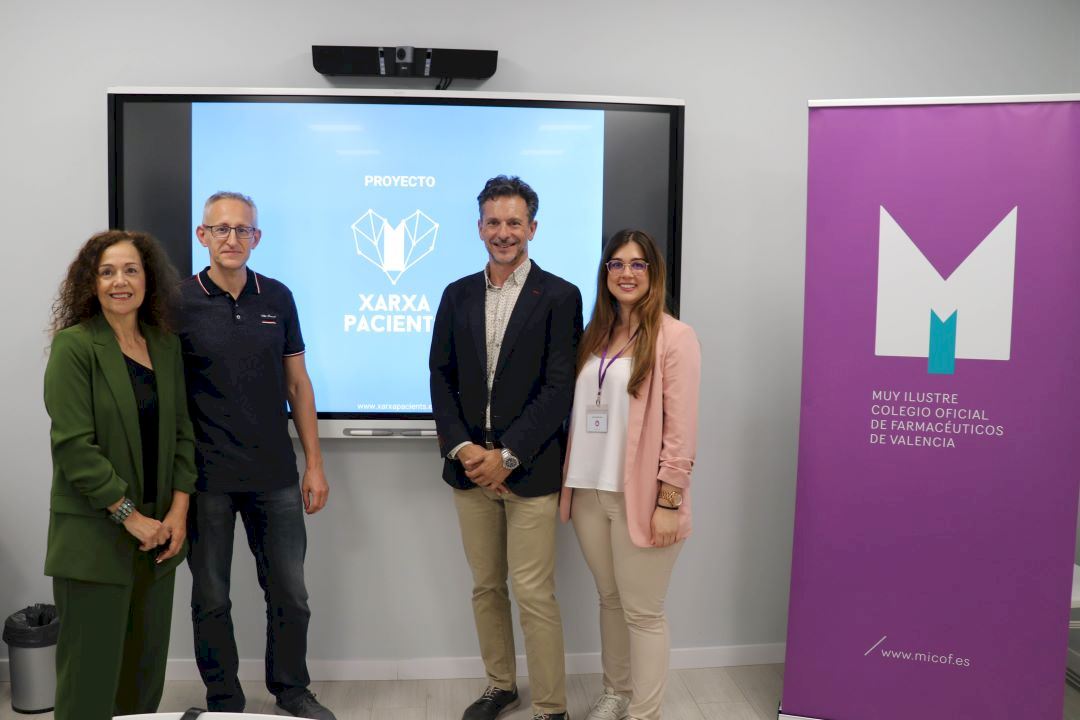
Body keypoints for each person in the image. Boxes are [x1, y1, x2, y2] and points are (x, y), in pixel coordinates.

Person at [176, 191, 335, 720]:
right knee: (211, 599)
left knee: (291, 595)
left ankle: (292, 690)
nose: (232, 238)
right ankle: (224, 701)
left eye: (242, 229)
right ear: (203, 236)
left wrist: (314, 465)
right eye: (221, 229)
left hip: (275, 474)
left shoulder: (278, 298)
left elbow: (298, 384)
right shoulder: (177, 302)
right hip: (207, 478)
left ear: (256, 238)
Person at [430, 175, 582, 720]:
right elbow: (440, 376)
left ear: (532, 228)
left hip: (531, 470)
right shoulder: (457, 294)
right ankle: (500, 686)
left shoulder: (560, 296)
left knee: (534, 593)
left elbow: (559, 388)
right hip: (470, 470)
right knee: (487, 587)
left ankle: (551, 707)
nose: (503, 232)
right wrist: (465, 449)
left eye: (514, 222)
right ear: (479, 228)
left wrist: (508, 455)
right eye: (493, 222)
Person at [43, 230, 196, 720]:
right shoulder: (74, 347)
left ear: (148, 280)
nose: (119, 281)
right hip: (96, 540)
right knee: (88, 688)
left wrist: (178, 512)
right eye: (106, 272)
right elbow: (74, 448)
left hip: (158, 541)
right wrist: (130, 516)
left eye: (131, 270)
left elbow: (183, 434)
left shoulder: (165, 346)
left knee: (142, 685)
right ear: (91, 283)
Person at [559, 229, 700, 720]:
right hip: (587, 491)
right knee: (610, 600)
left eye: (638, 264)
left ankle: (644, 712)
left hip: (639, 497)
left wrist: (669, 502)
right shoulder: (594, 336)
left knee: (643, 611)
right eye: (616, 264)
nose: (626, 273)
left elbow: (681, 430)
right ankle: (615, 693)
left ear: (653, 273)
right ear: (605, 273)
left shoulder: (675, 337)